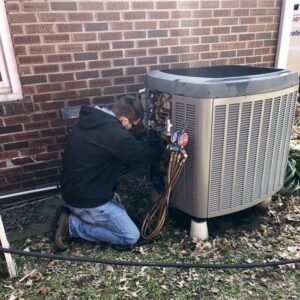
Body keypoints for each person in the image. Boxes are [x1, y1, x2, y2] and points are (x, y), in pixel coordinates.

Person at [52, 95, 159, 251]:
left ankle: (80, 216)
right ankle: (71, 225)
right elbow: (142, 154)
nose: (132, 130)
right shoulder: (115, 136)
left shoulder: (90, 122)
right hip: (87, 201)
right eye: (133, 126)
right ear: (124, 120)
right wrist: (162, 147)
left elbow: (117, 142)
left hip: (75, 191)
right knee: (130, 236)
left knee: (123, 214)